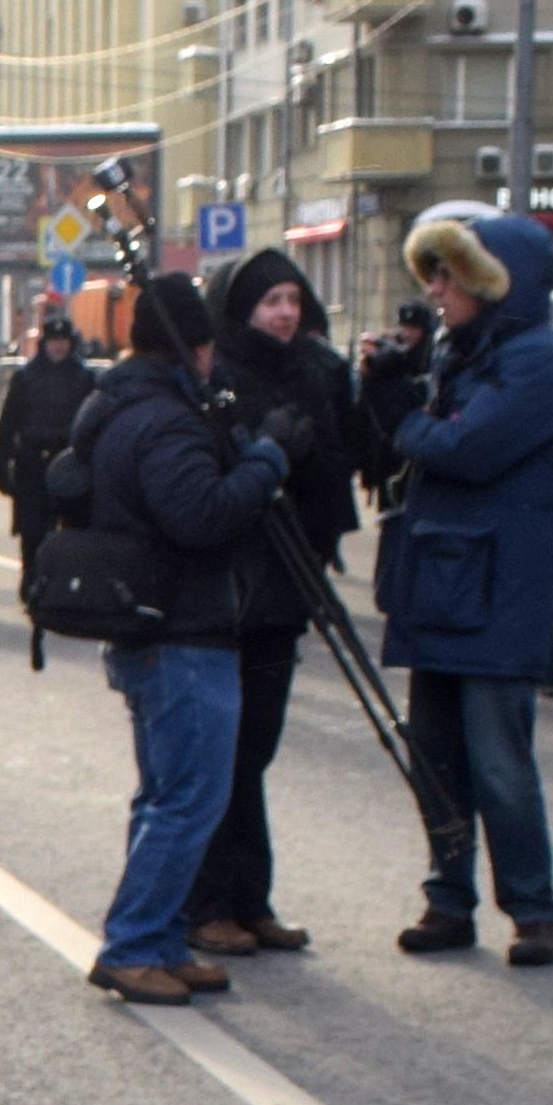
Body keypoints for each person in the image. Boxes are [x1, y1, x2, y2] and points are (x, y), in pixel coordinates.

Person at [68, 270, 284, 1002]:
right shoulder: (164, 420)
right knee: (190, 801)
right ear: (193, 347)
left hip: (154, 627)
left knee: (165, 796)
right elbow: (202, 515)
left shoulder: (122, 404)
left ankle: (159, 938)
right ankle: (133, 943)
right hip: (184, 630)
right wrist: (264, 463)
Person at [374, 203, 553, 966]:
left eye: (448, 273)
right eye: (430, 272)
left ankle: (531, 910)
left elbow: (466, 449)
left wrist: (401, 412)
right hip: (446, 583)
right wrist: (398, 393)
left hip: (498, 594)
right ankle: (447, 901)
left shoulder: (536, 362)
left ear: (494, 284)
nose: (434, 288)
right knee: (436, 757)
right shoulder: (463, 354)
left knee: (499, 764)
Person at [193, 247, 355, 956]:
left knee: (254, 750)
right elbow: (217, 480)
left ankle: (251, 899)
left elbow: (341, 481)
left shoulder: (312, 373)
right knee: (220, 756)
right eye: (270, 302)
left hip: (284, 590)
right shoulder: (215, 377)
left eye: (293, 298)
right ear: (240, 310)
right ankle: (208, 904)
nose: (285, 313)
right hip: (227, 592)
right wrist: (272, 451)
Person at [0, 296, 92, 593]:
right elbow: (8, 423)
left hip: (71, 459)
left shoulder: (84, 378)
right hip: (33, 461)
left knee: (72, 527)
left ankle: (67, 584)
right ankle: (32, 579)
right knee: (32, 529)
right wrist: (0, 464)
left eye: (63, 341)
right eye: (53, 341)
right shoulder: (26, 378)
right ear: (44, 344)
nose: (58, 346)